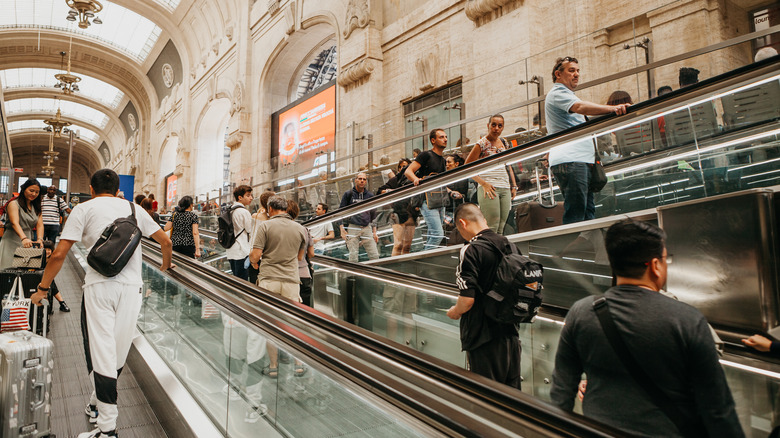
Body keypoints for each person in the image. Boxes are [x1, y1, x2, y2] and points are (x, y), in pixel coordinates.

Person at [549, 219, 742, 437]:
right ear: (655, 265)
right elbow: (718, 410)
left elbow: (561, 393)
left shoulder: (581, 313)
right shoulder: (686, 319)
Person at [31, 168, 173, 438]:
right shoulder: (134, 208)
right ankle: (97, 402)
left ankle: (107, 428)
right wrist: (165, 268)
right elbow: (165, 241)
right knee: (118, 352)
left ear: (92, 188)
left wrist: (43, 288)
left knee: (102, 352)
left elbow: (60, 253)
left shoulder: (83, 209)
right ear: (118, 188)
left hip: (100, 287)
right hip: (132, 288)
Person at [545, 56, 629, 224]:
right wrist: (613, 108)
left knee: (587, 213)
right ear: (558, 74)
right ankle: (573, 249)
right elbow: (580, 107)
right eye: (571, 70)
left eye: (578, 71)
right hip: (571, 160)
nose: (576, 74)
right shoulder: (557, 93)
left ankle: (585, 248)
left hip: (581, 160)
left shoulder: (568, 95)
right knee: (577, 213)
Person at [446, 203, 521, 389]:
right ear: (484, 220)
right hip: (511, 335)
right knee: (513, 398)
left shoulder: (471, 249)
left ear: (462, 223)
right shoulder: (511, 246)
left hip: (483, 338)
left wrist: (455, 312)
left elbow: (467, 300)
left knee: (486, 396)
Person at [249, 196, 308, 378]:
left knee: (271, 323)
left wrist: (254, 262)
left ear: (270, 209)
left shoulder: (265, 226)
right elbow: (299, 258)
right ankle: (298, 364)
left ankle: (273, 366)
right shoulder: (301, 229)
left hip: (269, 280)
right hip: (291, 280)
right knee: (293, 323)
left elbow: (255, 255)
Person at [464, 115, 517, 234]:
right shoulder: (481, 144)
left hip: (504, 186)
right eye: (493, 125)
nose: (496, 128)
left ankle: (497, 251)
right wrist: (483, 184)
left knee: (502, 226)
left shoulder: (504, 142)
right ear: (488, 126)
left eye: (500, 126)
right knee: (492, 225)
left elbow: (508, 165)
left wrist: (513, 185)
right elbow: (467, 168)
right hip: (489, 187)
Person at [405, 129, 448, 250]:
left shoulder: (443, 160)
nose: (445, 139)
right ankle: (423, 259)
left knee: (433, 234)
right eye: (441, 137)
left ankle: (425, 259)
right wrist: (415, 179)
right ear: (433, 140)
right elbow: (408, 171)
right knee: (438, 235)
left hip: (440, 200)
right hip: (426, 200)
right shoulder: (426, 155)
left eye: (445, 137)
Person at [0, 178, 44, 269]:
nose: (34, 194)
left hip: (27, 242)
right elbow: (14, 223)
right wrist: (23, 238)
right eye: (31, 191)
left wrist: (40, 239)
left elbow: (40, 225)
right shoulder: (14, 204)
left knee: (24, 271)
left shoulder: (36, 207)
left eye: (37, 192)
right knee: (7, 270)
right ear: (24, 189)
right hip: (11, 240)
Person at [378, 158, 418, 256]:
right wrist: (391, 191)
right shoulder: (395, 180)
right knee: (398, 244)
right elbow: (379, 191)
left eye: (406, 166)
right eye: (401, 167)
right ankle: (395, 266)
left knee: (407, 245)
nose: (403, 168)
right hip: (398, 214)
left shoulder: (414, 179)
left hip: (411, 214)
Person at [338, 172, 379, 262]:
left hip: (366, 227)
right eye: (360, 179)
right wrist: (342, 229)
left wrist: (374, 232)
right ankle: (352, 275)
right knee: (353, 255)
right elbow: (340, 212)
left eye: (364, 179)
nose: (362, 181)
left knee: (374, 254)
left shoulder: (370, 195)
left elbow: (373, 214)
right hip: (353, 226)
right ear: (355, 180)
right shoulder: (348, 194)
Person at [288, 200, 315, 306]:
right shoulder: (304, 229)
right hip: (304, 274)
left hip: (288, 275)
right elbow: (311, 254)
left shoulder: (281, 229)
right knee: (305, 308)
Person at [225, 185, 254, 281]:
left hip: (231, 251)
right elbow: (250, 230)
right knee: (243, 282)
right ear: (240, 197)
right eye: (248, 195)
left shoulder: (229, 210)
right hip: (241, 252)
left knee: (237, 280)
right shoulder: (243, 212)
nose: (251, 198)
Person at [41, 240, 70, 312]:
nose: (47, 251)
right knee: (50, 282)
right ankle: (61, 302)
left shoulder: (52, 260)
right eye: (45, 249)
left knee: (50, 282)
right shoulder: (39, 259)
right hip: (39, 278)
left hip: (46, 280)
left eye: (49, 249)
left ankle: (57, 303)